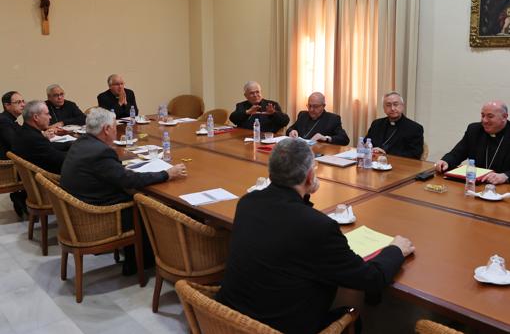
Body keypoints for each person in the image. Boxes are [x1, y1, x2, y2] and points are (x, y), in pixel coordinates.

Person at [216, 138, 415, 334]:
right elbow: (370, 279)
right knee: (355, 315)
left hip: (225, 318)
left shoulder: (248, 202)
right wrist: (395, 250)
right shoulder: (319, 227)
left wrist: (305, 193)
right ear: (310, 176)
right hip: (278, 326)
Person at [60, 107, 187, 274]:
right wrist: (166, 174)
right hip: (97, 213)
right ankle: (142, 261)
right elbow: (128, 180)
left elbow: (116, 175)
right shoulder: (100, 152)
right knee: (147, 204)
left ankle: (138, 257)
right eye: (114, 127)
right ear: (106, 129)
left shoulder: (82, 143)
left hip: (79, 206)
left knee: (138, 195)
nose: (116, 130)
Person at [435, 101, 510, 184]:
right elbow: (457, 153)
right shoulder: (474, 130)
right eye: (483, 115)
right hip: (474, 185)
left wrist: (505, 176)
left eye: (490, 116)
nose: (484, 120)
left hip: (503, 188)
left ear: (504, 117)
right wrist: (445, 161)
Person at [12, 100, 69, 174]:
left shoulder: (25, 131)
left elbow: (49, 146)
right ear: (36, 117)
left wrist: (70, 144)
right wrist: (79, 151)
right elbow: (60, 159)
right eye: (47, 114)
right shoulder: (34, 138)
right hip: (52, 178)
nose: (50, 117)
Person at [365, 91, 424, 159]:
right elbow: (366, 143)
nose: (392, 108)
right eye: (388, 105)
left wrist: (385, 154)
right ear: (384, 109)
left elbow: (415, 154)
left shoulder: (415, 128)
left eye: (396, 104)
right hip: (374, 163)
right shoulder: (376, 124)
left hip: (400, 166)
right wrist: (371, 149)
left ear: (402, 106)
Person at [0, 91, 27, 217]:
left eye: (23, 101)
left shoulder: (10, 119)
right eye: (18, 102)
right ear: (7, 105)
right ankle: (23, 196)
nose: (23, 105)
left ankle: (22, 196)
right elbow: (14, 144)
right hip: (8, 165)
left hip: (14, 159)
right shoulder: (4, 121)